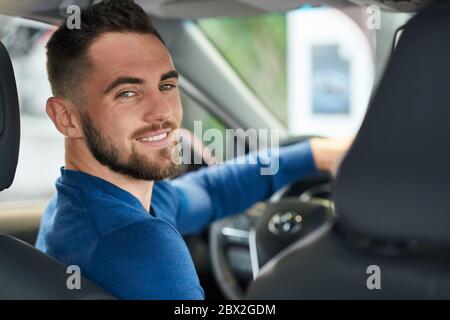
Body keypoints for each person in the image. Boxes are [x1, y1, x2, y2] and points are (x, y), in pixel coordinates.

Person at [35, 0, 351, 299]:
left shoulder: (83, 203)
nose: (162, 112)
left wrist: (315, 153)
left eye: (167, 85)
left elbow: (210, 191)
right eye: (128, 92)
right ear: (66, 117)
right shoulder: (137, 241)